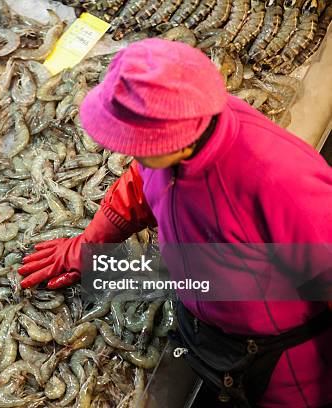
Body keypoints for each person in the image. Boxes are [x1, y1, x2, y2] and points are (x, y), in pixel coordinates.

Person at [18, 39, 332, 407]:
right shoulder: (177, 140)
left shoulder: (281, 181)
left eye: (134, 142)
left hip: (283, 369)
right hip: (208, 327)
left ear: (178, 141)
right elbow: (139, 186)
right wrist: (85, 248)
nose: (125, 149)